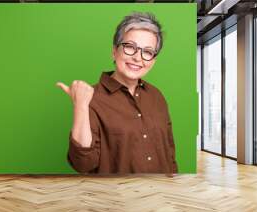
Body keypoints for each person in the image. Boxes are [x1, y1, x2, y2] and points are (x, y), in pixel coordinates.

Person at [56, 12, 177, 176]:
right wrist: (81, 106)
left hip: (161, 195)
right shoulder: (91, 97)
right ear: (114, 51)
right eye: (130, 47)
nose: (137, 57)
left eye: (147, 52)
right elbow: (83, 164)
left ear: (153, 60)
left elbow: (169, 153)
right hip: (117, 198)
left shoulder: (157, 96)